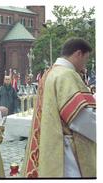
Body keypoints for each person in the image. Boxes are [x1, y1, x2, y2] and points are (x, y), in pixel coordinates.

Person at [21, 38, 96, 178]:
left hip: (53, 142)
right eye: (85, 59)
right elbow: (80, 118)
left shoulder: (50, 72)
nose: (84, 65)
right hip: (67, 154)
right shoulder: (66, 75)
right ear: (78, 54)